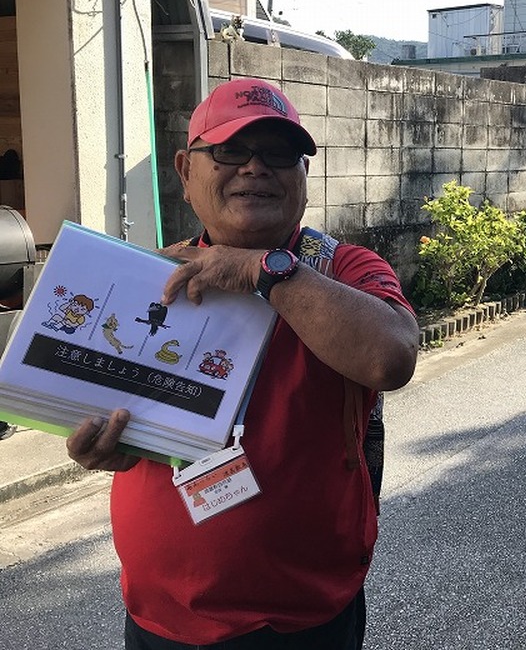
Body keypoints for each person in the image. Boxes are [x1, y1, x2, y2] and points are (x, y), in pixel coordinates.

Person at [66, 77, 420, 649]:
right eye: (230, 150)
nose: (255, 168)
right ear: (185, 172)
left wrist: (262, 269)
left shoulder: (343, 269)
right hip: (157, 615)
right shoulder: (145, 276)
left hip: (300, 623)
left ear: (304, 177)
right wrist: (101, 448)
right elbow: (105, 412)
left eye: (278, 153)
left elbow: (392, 357)